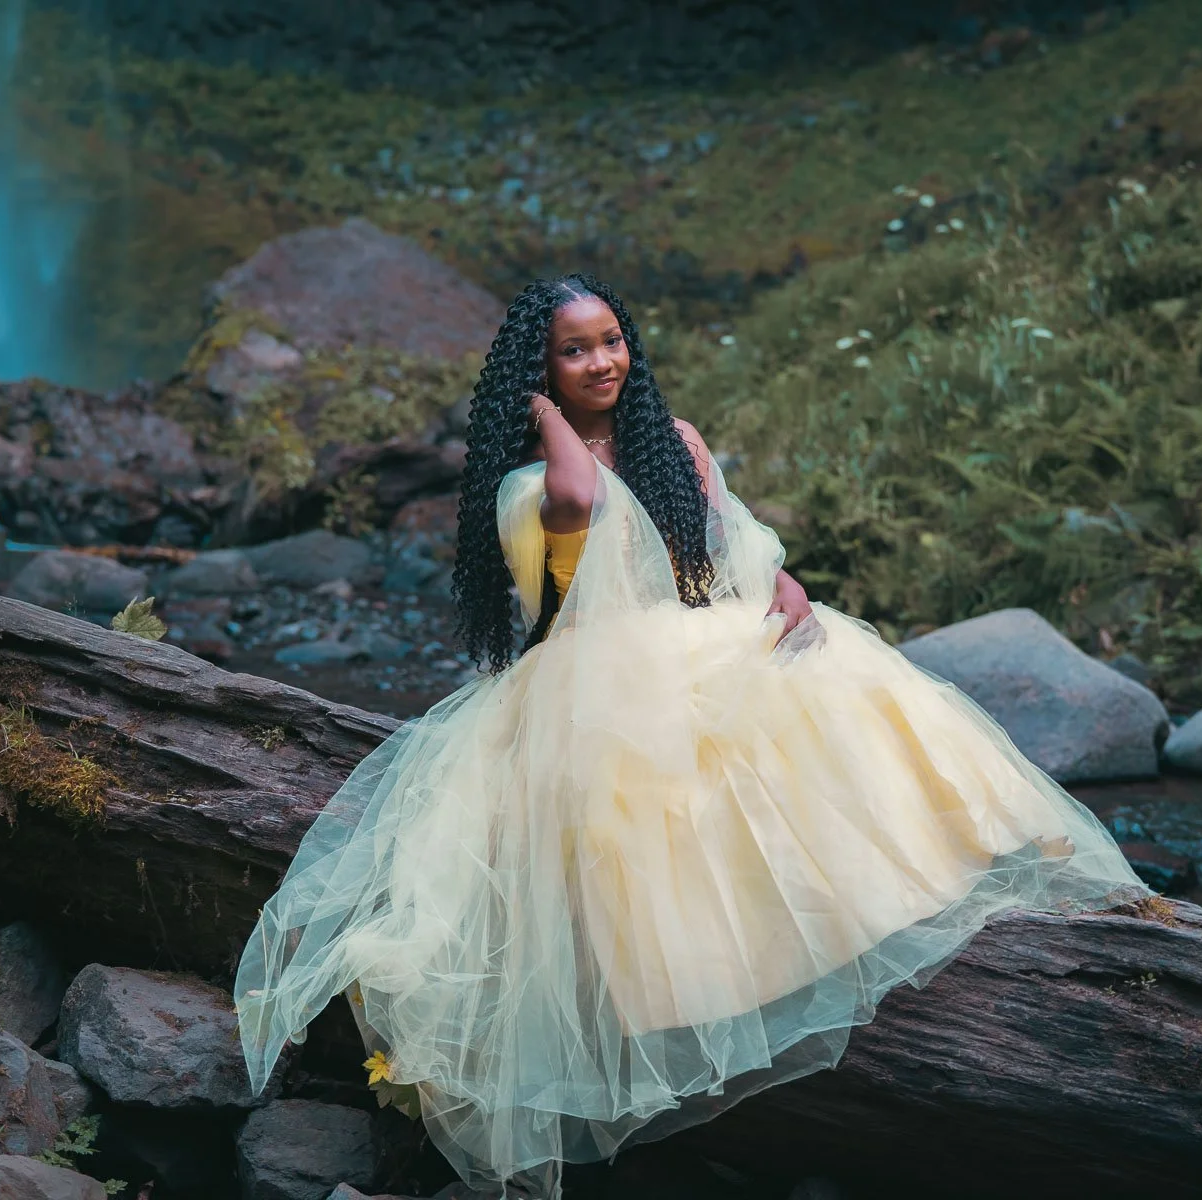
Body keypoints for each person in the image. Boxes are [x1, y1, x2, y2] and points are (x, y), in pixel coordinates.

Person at [234, 273, 1148, 1198]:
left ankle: (870, 907)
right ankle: (701, 1000)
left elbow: (724, 553)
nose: (603, 362)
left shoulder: (674, 444)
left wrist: (784, 587)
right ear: (540, 372)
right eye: (575, 350)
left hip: (698, 637)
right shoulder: (528, 485)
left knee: (838, 683)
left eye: (611, 340)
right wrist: (543, 416)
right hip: (589, 683)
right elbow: (584, 501)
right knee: (653, 800)